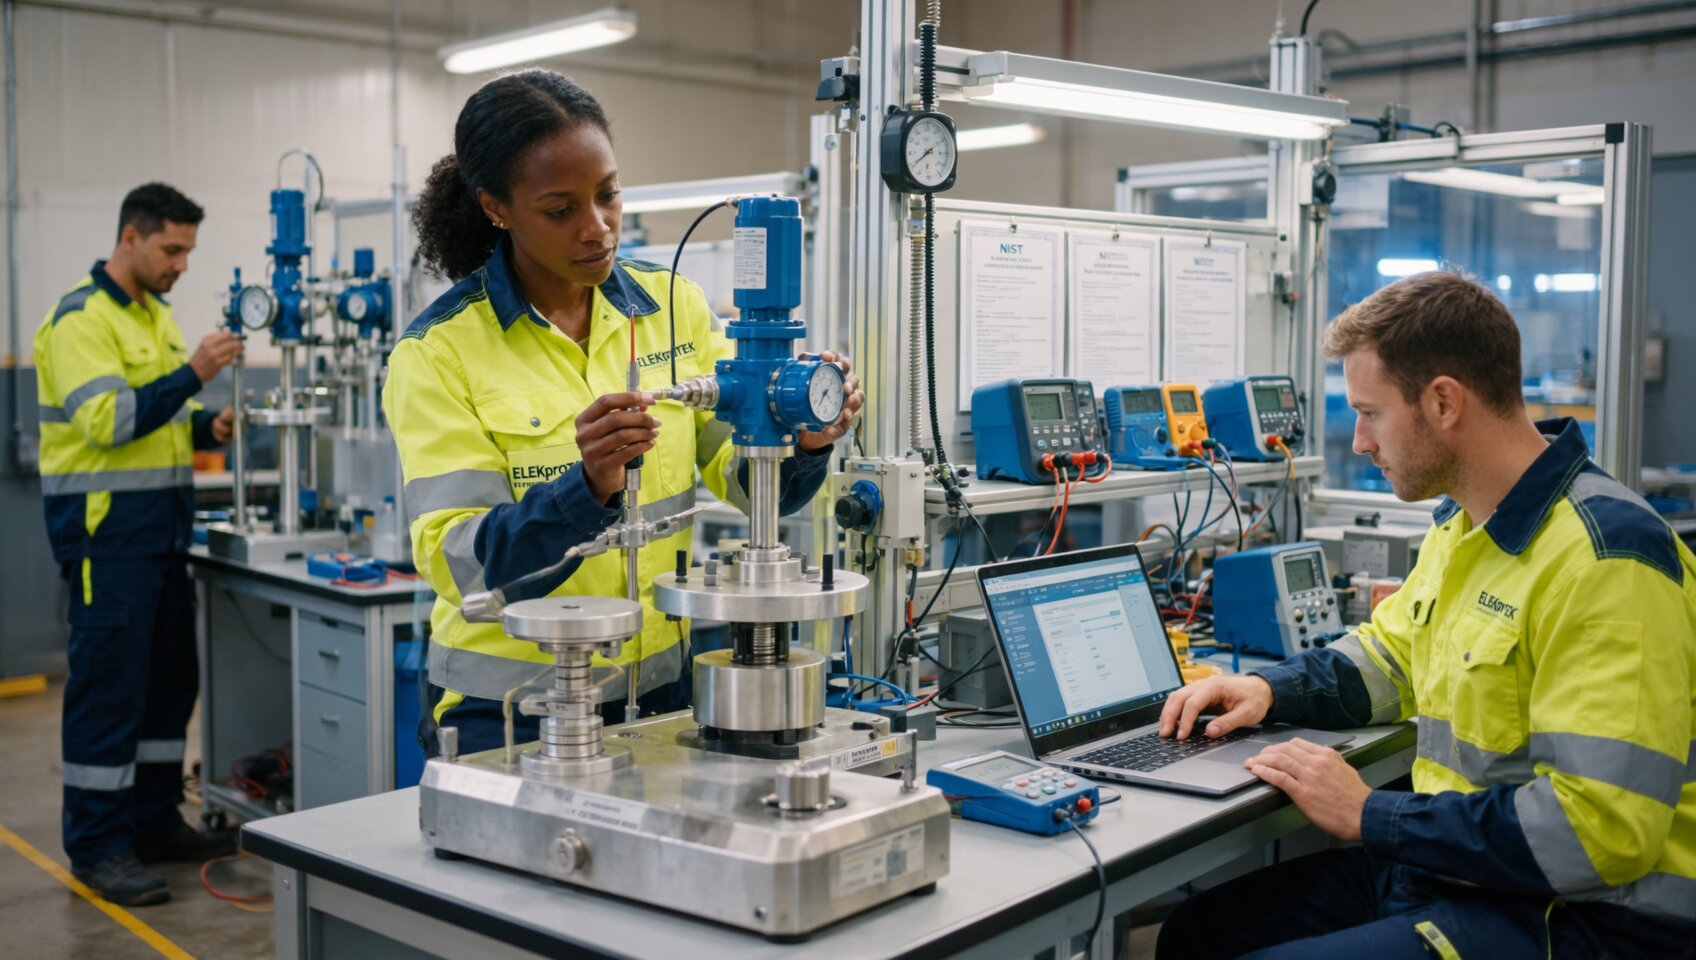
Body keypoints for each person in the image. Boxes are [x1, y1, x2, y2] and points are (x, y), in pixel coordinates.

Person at [1155, 271, 1695, 959]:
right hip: (1463, 874)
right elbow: (1388, 657)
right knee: (1197, 933)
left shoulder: (1609, 558)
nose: (1359, 441)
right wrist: (1269, 689)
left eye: (1371, 413)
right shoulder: (1466, 527)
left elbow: (1598, 832)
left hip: (1578, 918)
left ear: (1443, 402)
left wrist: (1371, 813)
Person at [385, 69, 863, 756]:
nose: (597, 228)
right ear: (496, 207)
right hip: (512, 707)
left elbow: (746, 481)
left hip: (662, 691)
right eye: (560, 209)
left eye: (608, 194)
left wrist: (807, 441)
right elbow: (459, 565)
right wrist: (587, 490)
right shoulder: (439, 353)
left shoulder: (674, 306)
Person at [36, 183, 244, 906]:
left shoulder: (152, 314)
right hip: (105, 543)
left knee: (166, 688)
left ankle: (155, 823)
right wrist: (195, 373)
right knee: (109, 696)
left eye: (188, 250)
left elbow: (152, 424)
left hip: (161, 537)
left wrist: (201, 429)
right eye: (172, 249)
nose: (182, 264)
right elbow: (108, 423)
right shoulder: (79, 320)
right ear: (131, 236)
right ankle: (97, 846)